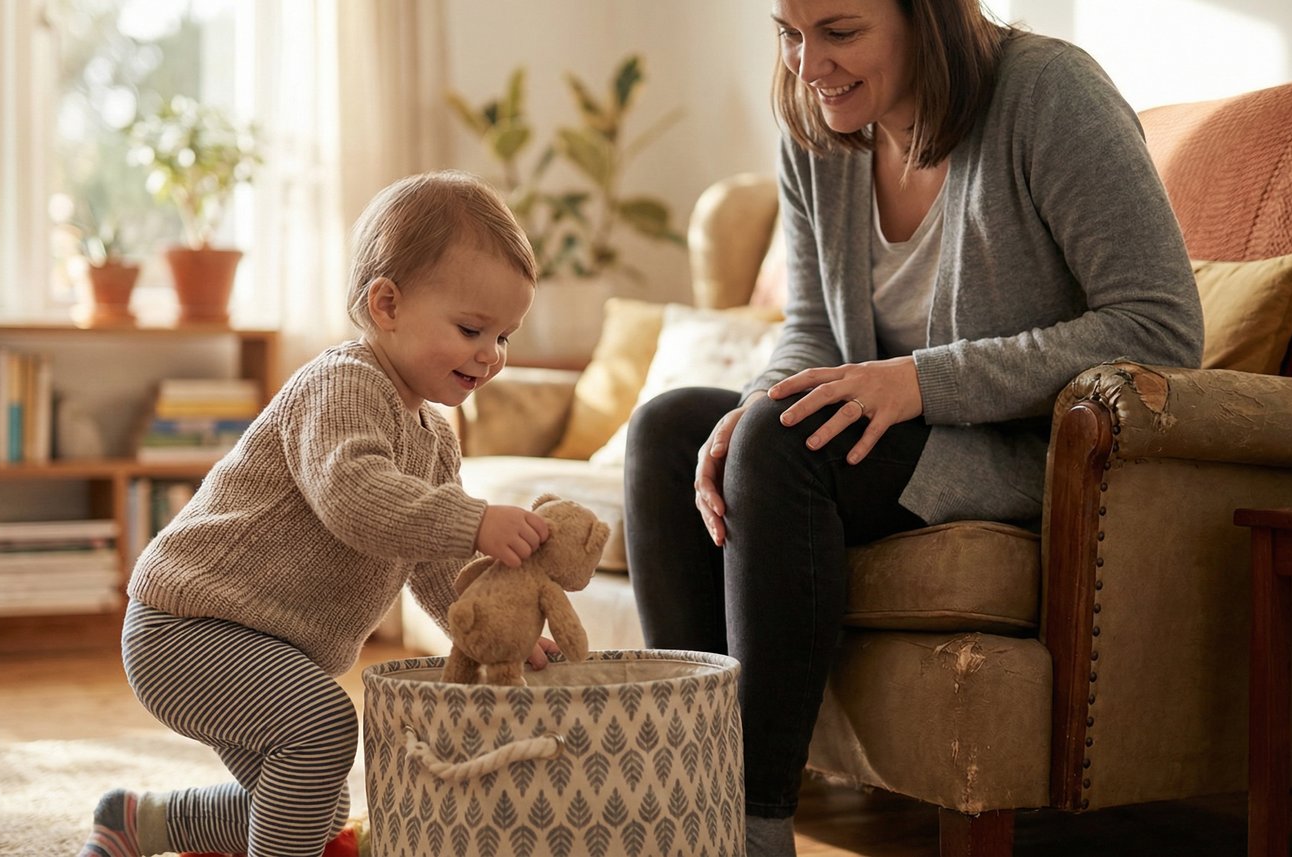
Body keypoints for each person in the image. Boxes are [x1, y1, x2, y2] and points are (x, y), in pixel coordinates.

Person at [623, 1, 1204, 854]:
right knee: (672, 430)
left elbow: (1162, 328)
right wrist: (758, 397)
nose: (806, 64)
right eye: (788, 32)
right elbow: (814, 334)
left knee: (783, 437)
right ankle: (684, 807)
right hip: (883, 445)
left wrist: (922, 383)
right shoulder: (818, 128)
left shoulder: (1049, 95)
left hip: (1024, 455)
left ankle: (752, 824)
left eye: (839, 32)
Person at [78, 170, 557, 857]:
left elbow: (436, 566)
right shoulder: (344, 382)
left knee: (316, 797)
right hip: (186, 626)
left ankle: (141, 822)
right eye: (472, 328)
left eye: (505, 336)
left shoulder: (436, 440)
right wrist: (474, 520)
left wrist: (488, 631)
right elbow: (354, 497)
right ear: (386, 304)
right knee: (322, 730)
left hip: (251, 638)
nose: (492, 355)